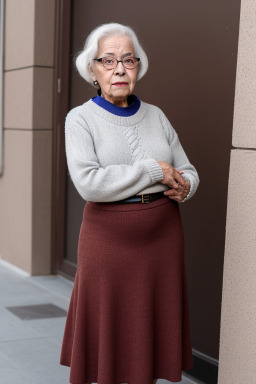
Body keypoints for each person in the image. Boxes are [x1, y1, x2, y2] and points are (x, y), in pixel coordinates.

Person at [60, 22, 200, 384]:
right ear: (92, 70)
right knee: (111, 330)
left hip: (163, 238)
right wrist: (153, 170)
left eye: (128, 60)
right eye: (107, 61)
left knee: (150, 327)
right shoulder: (81, 119)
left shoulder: (156, 115)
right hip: (109, 240)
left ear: (138, 67)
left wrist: (188, 186)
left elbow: (185, 167)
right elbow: (89, 183)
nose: (119, 69)